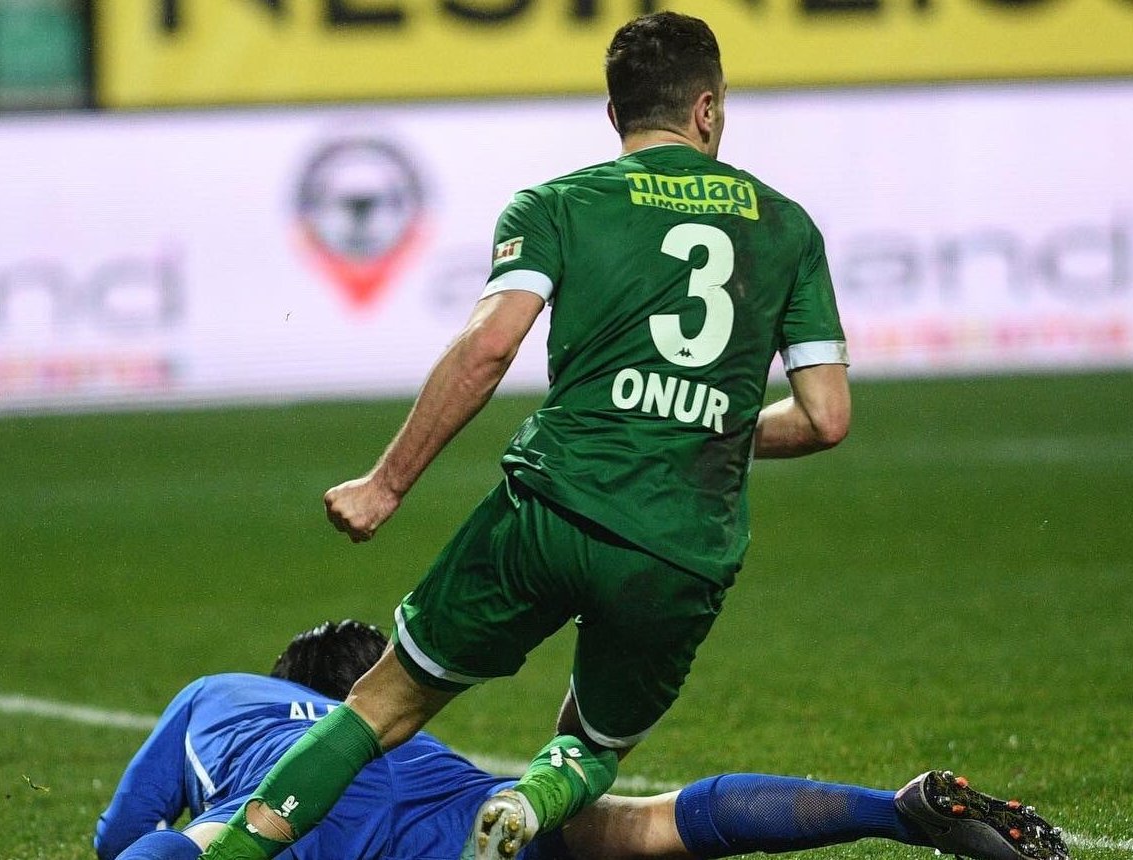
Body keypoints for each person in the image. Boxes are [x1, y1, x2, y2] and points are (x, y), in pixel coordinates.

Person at [204, 12, 859, 860]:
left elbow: (488, 348)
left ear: (615, 112)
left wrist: (386, 484)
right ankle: (531, 799)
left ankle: (231, 854)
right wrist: (695, 432)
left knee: (377, 708)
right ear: (706, 109)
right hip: (680, 545)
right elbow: (825, 417)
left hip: (550, 510)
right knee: (592, 744)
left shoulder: (558, 205)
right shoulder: (787, 228)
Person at [99, 620, 1069, 860]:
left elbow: (121, 834)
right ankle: (893, 812)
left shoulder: (217, 696)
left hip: (281, 822)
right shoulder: (391, 725)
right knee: (644, 825)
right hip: (459, 805)